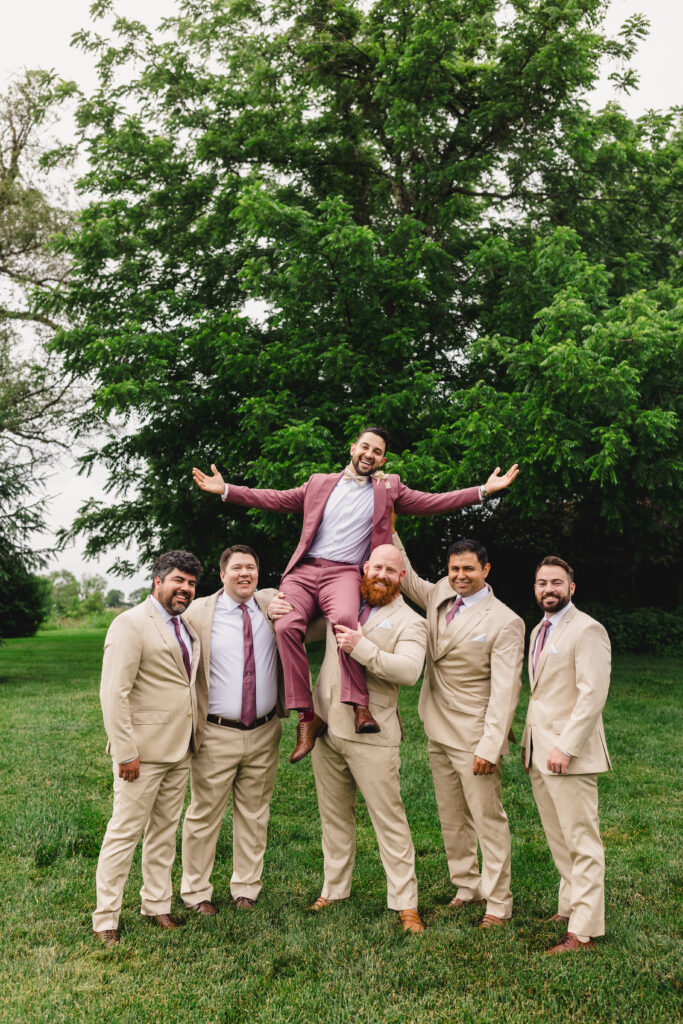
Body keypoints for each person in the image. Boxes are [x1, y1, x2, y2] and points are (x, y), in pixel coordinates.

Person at [193, 426, 518, 763]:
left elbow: (434, 502)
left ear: (383, 460)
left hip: (345, 572)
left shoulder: (389, 488)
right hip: (305, 570)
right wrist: (226, 490)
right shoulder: (318, 483)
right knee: (286, 626)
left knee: (346, 622)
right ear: (353, 448)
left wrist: (483, 490)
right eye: (365, 447)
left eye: (377, 452)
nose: (369, 455)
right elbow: (273, 498)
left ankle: (359, 705)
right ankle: (307, 715)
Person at [271, 544, 428, 933]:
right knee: (334, 817)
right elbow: (302, 630)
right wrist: (275, 606)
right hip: (326, 731)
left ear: (401, 577)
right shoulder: (342, 604)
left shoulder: (411, 621)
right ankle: (335, 889)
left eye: (391, 571)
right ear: (365, 568)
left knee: (389, 821)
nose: (382, 576)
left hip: (372, 736)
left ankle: (406, 903)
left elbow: (409, 672)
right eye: (377, 568)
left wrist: (364, 649)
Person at [394, 533, 524, 928]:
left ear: (486, 570)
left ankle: (498, 904)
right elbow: (405, 576)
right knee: (452, 816)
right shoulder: (440, 592)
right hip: (437, 726)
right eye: (454, 569)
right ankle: (467, 885)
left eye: (469, 568)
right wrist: (386, 517)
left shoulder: (505, 621)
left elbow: (506, 691)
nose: (460, 575)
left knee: (488, 820)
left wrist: (491, 745)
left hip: (474, 735)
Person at [92, 550, 202, 947]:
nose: (185, 589)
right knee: (124, 834)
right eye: (178, 580)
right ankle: (106, 918)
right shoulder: (130, 623)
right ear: (158, 581)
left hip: (180, 748)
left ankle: (156, 905)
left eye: (191, 583)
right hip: (141, 753)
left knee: (164, 833)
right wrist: (125, 751)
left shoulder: (185, 626)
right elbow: (113, 693)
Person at [180, 544, 286, 914]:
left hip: (264, 731)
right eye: (237, 568)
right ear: (222, 574)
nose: (245, 573)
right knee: (204, 815)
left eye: (251, 568)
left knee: (255, 814)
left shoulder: (271, 605)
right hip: (215, 733)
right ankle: (196, 892)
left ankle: (246, 888)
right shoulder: (198, 613)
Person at [522, 556, 611, 954]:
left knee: (582, 841)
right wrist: (530, 743)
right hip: (539, 751)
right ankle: (570, 906)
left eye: (556, 582)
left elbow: (593, 695)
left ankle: (584, 933)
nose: (549, 589)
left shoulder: (587, 629)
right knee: (559, 838)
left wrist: (567, 746)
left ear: (571, 588)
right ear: (535, 588)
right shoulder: (538, 630)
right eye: (542, 583)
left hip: (567, 754)